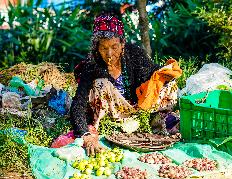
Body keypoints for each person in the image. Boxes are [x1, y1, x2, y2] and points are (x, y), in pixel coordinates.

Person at [70, 14, 182, 156]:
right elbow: (78, 103)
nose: (109, 53)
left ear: (122, 44)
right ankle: (106, 128)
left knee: (168, 83)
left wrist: (166, 73)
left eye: (114, 47)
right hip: (110, 114)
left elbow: (153, 72)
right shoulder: (91, 66)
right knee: (100, 84)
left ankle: (159, 121)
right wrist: (85, 134)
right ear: (97, 48)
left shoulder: (134, 53)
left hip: (135, 107)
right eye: (103, 48)